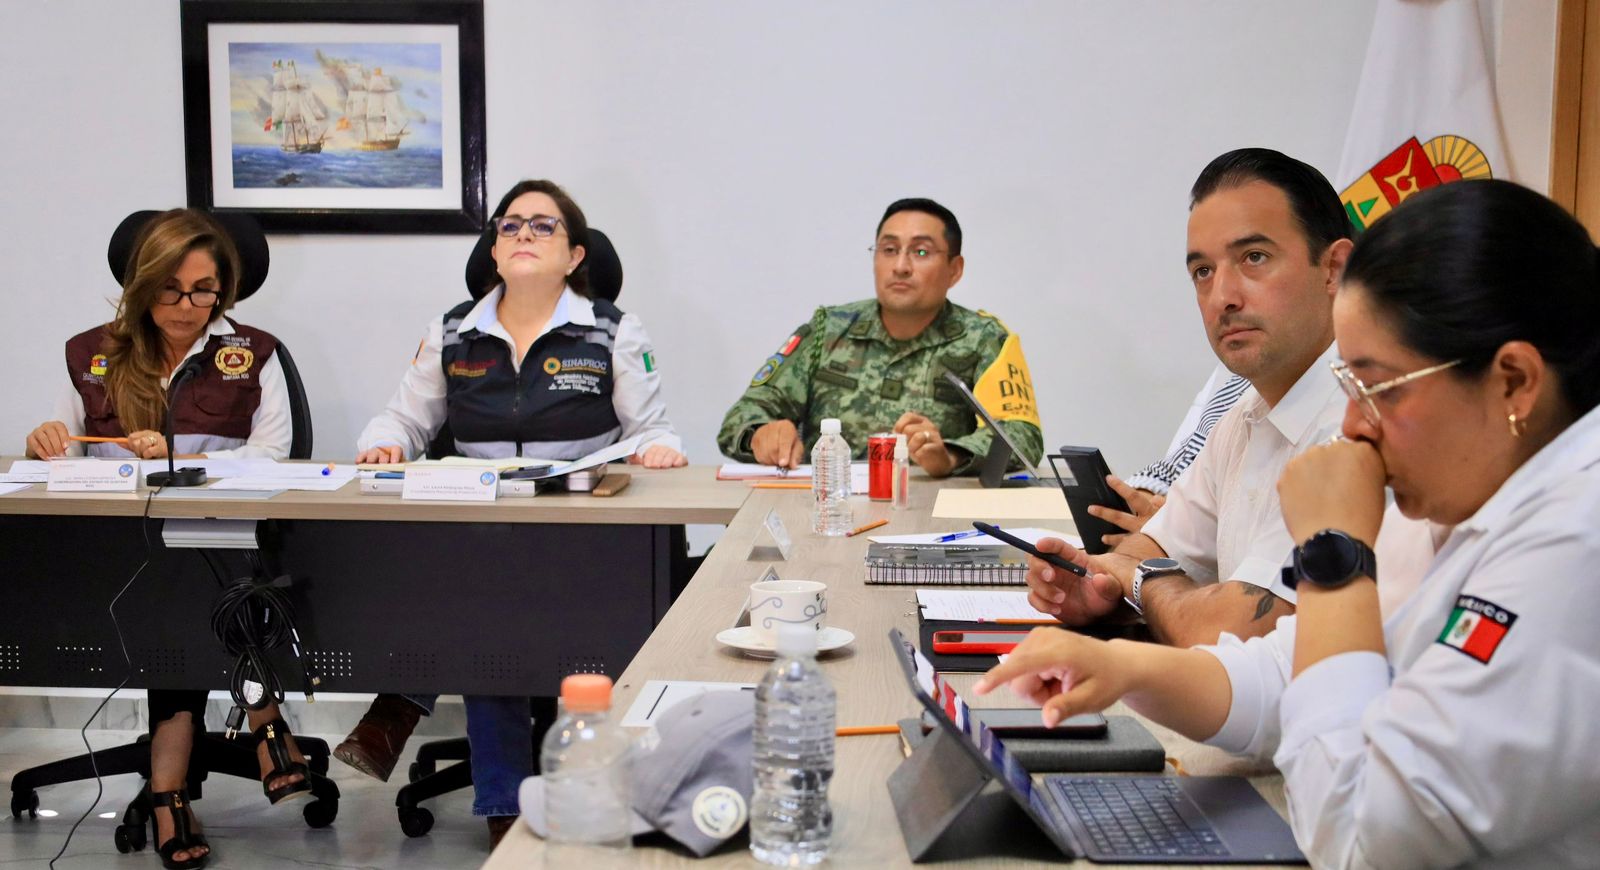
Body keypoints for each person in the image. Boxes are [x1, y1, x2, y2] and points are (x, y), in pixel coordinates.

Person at [979, 179, 1600, 867]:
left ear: (1513, 381)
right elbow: (1292, 674)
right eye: (1349, 388)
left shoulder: (1574, 544)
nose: (1354, 425)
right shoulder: (1468, 492)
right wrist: (1127, 668)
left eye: (1377, 388)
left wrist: (1333, 557)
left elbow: (1364, 840)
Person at [340, 179, 687, 847]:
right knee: (489, 614)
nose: (524, 233)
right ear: (494, 250)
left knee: (487, 611)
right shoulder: (452, 332)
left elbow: (651, 428)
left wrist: (658, 450)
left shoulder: (613, 330)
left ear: (575, 254)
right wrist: (385, 443)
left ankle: (405, 707)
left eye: (543, 225)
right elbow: (403, 418)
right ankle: (505, 806)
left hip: (580, 526)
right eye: (510, 225)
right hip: (483, 523)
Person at [26, 208, 306, 869]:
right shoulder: (90, 353)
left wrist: (184, 460)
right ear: (142, 285)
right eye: (169, 290)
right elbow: (68, 456)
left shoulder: (255, 352)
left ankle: (167, 794)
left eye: (203, 291)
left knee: (194, 575)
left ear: (224, 288)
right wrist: (46, 445)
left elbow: (275, 455)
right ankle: (264, 719)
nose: (186, 307)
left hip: (222, 540)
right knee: (187, 580)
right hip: (125, 554)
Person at [1025, 149, 1358, 648]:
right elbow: (1148, 548)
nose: (1222, 296)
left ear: (1334, 268)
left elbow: (1228, 630)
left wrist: (1139, 583)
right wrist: (1098, 586)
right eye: (1203, 271)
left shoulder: (1362, 421)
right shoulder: (1246, 413)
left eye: (1254, 258)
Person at [716, 197, 1043, 477]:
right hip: (830, 509)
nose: (900, 266)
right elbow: (741, 416)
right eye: (889, 249)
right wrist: (759, 435)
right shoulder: (828, 329)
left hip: (930, 516)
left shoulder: (984, 339)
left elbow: (1021, 436)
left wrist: (951, 455)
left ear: (954, 270)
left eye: (921, 252)